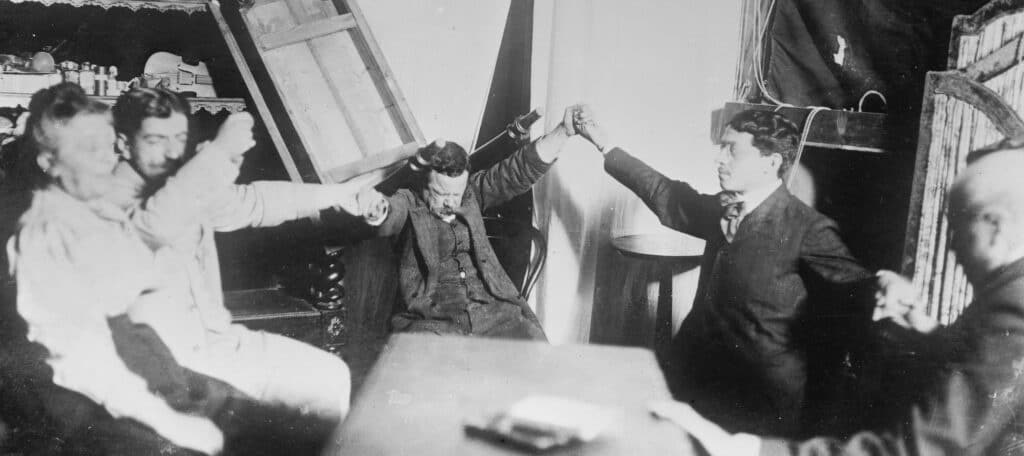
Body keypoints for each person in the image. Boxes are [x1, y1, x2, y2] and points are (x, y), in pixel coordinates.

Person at [650, 143, 1024, 455]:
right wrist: (927, 332)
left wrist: (743, 450)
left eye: (958, 227)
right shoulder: (1011, 292)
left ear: (996, 225)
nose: (953, 244)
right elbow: (986, 365)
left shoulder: (1015, 304)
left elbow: (927, 448)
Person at [573, 106, 873, 437]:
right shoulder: (724, 207)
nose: (719, 159)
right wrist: (604, 144)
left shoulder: (808, 228)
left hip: (759, 400)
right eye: (721, 148)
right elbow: (668, 196)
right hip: (693, 376)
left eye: (732, 150)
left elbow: (860, 297)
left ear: (770, 163)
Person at [107, 87, 362, 435]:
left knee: (329, 376)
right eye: (155, 139)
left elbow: (252, 202)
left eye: (179, 138)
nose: (171, 152)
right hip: (160, 367)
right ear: (122, 143)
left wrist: (337, 195)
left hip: (217, 346)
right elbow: (156, 224)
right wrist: (219, 153)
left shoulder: (180, 186)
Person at [6, 83, 226, 454]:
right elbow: (77, 360)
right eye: (90, 150)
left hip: (124, 357)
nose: (108, 161)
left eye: (109, 147)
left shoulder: (89, 212)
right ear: (48, 161)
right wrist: (168, 420)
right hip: (70, 390)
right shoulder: (43, 232)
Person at [355, 105, 586, 339]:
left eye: (456, 194)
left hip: (491, 313)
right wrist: (375, 208)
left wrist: (563, 131)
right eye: (441, 194)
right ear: (423, 183)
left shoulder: (470, 194)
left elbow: (518, 171)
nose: (450, 203)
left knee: (532, 344)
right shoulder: (408, 202)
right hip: (434, 322)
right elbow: (389, 214)